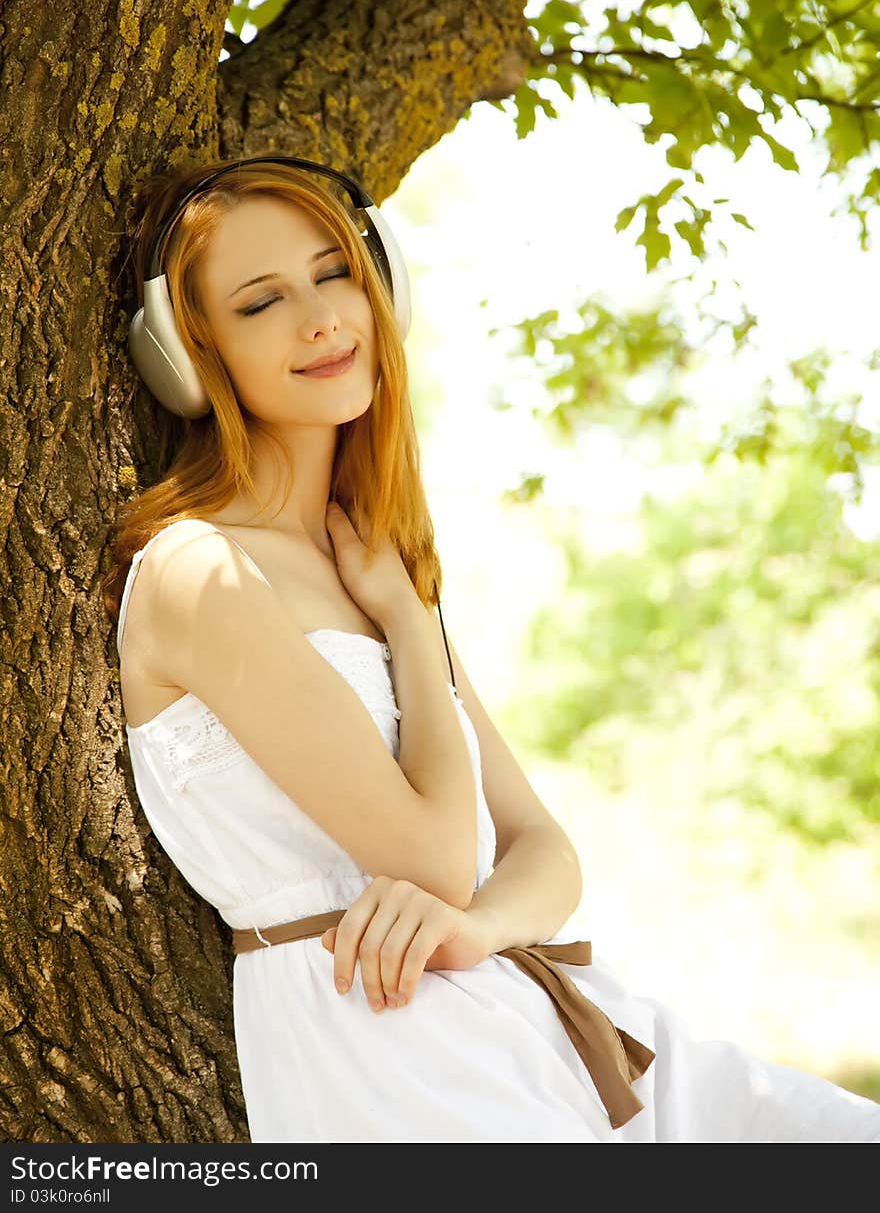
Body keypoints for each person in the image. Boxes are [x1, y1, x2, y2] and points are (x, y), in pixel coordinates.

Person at [105, 154, 880, 1143]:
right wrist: (414, 630)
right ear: (189, 352)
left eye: (334, 272)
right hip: (396, 1045)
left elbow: (545, 852)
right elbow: (434, 853)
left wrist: (481, 925)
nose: (320, 317)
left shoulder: (377, 566)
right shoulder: (198, 572)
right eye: (262, 302)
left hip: (540, 1006)